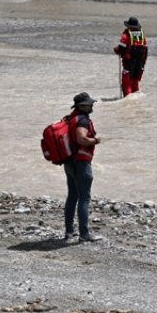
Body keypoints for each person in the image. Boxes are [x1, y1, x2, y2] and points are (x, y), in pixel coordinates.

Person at [63, 92, 102, 242]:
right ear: (82, 106)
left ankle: (69, 232)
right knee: (84, 198)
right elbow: (81, 138)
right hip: (81, 162)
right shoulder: (83, 120)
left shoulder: (70, 118)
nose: (92, 105)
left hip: (69, 161)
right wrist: (95, 140)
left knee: (72, 196)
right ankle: (84, 234)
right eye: (89, 104)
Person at [114, 17, 148, 97]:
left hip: (129, 63)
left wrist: (116, 50)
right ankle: (136, 102)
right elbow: (145, 49)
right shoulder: (142, 35)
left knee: (127, 84)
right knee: (135, 82)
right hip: (140, 63)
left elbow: (121, 49)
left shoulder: (126, 35)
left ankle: (128, 103)